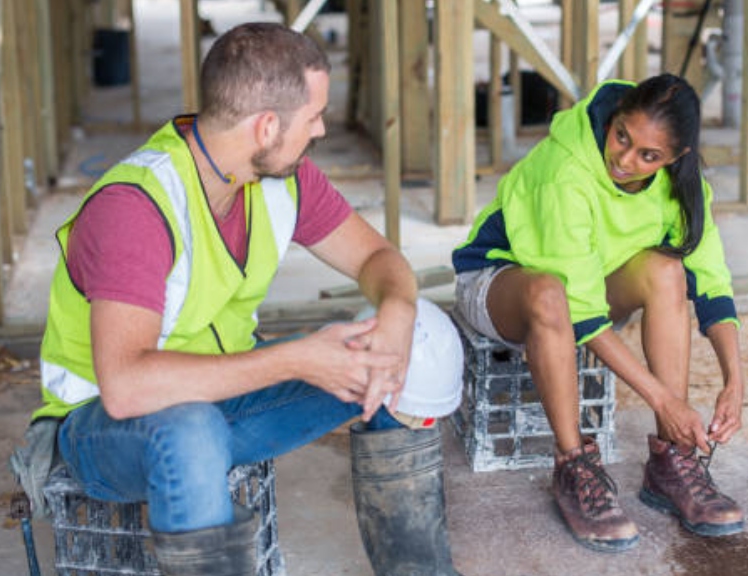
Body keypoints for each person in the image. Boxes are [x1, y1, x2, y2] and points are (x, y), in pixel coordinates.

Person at [28, 22, 462, 576]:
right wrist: (298, 358)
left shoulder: (284, 179)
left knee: (408, 347)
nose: (323, 130)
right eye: (313, 118)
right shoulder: (135, 206)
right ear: (266, 127)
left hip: (227, 397)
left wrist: (397, 317)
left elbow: (379, 261)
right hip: (104, 432)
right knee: (192, 430)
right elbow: (125, 388)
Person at [452, 73, 745, 552]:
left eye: (648, 156)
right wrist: (662, 400)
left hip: (585, 287)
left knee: (667, 272)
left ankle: (672, 461)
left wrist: (736, 380)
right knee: (549, 293)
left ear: (677, 158)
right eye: (622, 136)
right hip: (498, 285)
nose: (625, 160)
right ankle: (573, 466)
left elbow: (710, 283)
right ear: (615, 118)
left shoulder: (684, 187)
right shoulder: (565, 169)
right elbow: (582, 314)